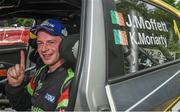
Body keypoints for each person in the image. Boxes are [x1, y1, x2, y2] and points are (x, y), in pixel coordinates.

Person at [5, 19, 74, 111]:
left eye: (50, 42)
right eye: (40, 43)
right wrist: (15, 86)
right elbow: (23, 105)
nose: (43, 49)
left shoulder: (70, 80)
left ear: (64, 45)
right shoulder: (41, 72)